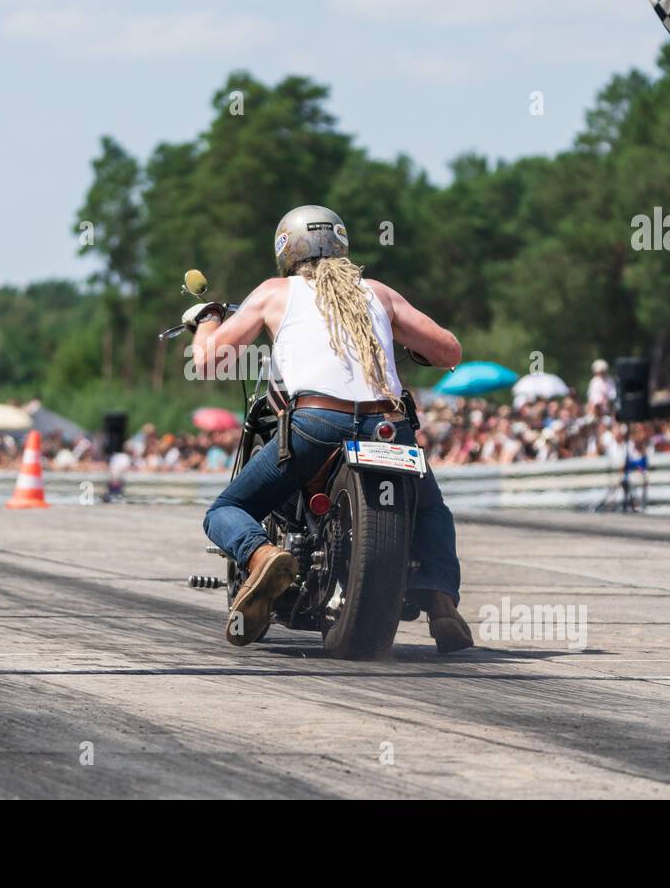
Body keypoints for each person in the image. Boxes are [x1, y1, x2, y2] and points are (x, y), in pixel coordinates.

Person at [186, 204, 472, 652]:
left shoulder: (275, 292)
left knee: (224, 510)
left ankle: (263, 555)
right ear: (340, 243)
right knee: (431, 510)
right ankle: (440, 604)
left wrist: (206, 321)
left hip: (317, 422)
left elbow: (207, 362)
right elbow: (450, 351)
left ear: (286, 250)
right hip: (388, 424)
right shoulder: (378, 292)